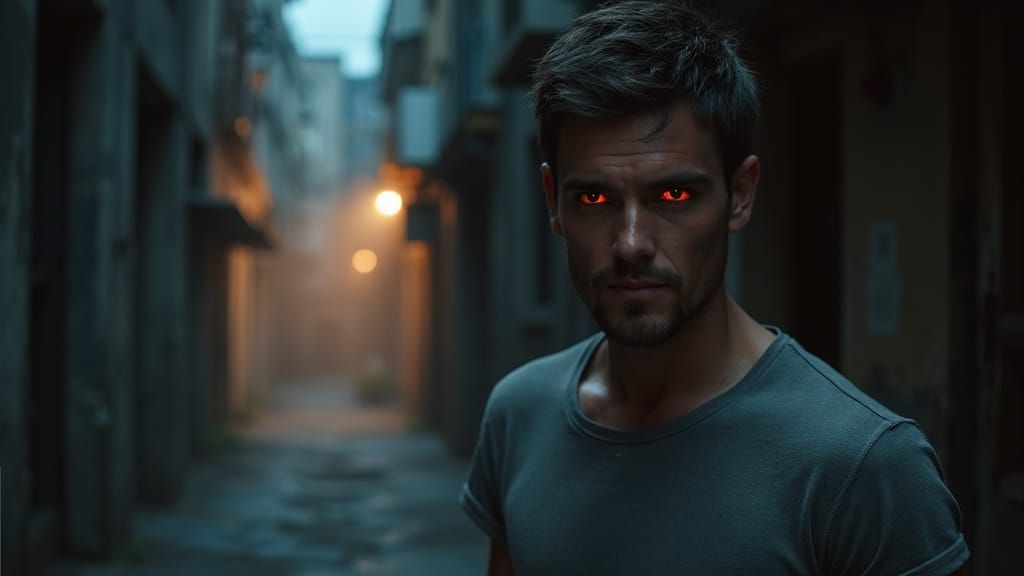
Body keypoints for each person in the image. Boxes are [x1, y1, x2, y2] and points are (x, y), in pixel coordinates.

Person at [460, 1, 969, 574]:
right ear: (553, 202)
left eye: (673, 196)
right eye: (594, 199)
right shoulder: (518, 415)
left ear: (740, 194)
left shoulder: (862, 464)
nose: (630, 242)